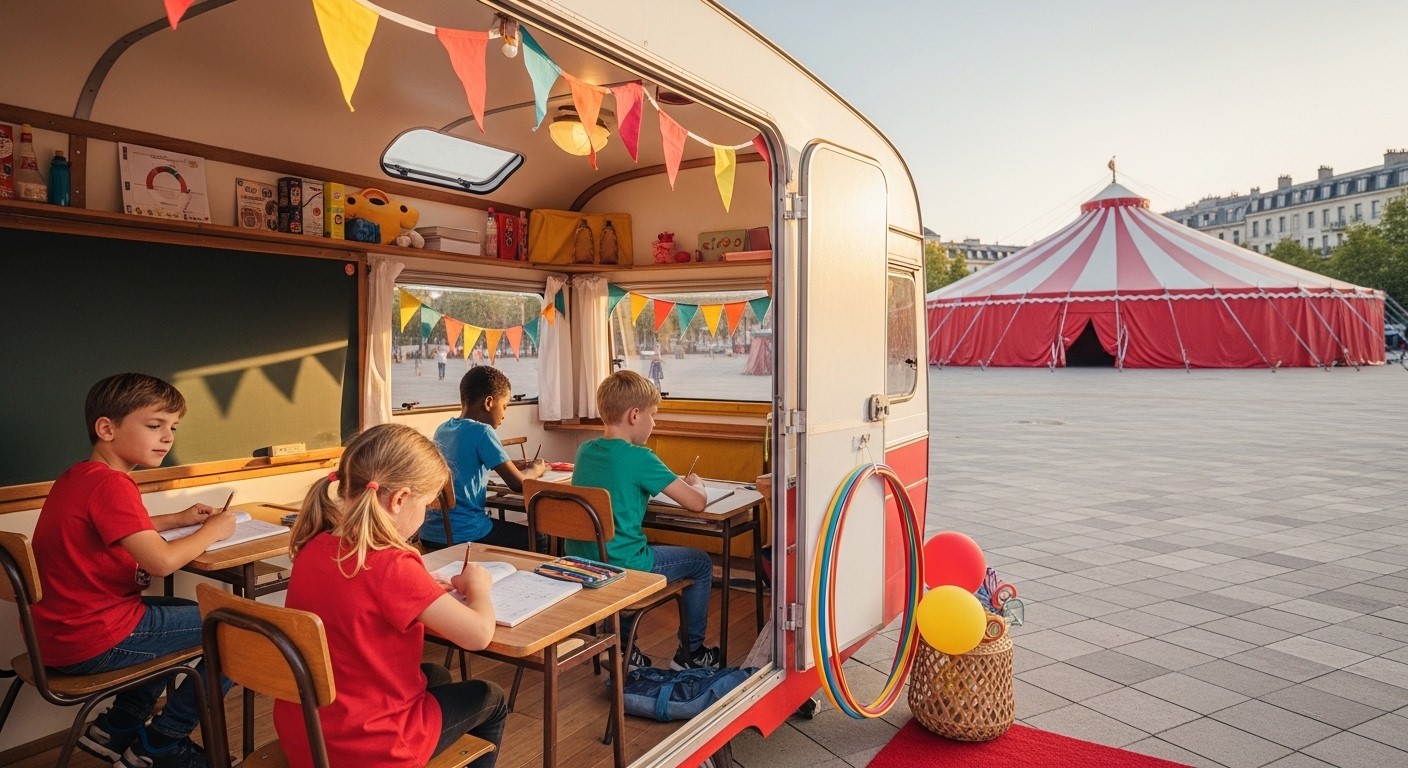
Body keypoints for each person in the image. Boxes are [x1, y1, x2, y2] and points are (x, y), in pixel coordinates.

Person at [32, 372, 237, 768]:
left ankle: (117, 729)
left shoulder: (80, 477)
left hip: (58, 634)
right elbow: (160, 561)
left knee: (176, 612)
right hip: (91, 638)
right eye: (154, 425)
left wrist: (175, 518)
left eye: (173, 427)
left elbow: (113, 526)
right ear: (107, 428)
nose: (167, 437)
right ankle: (161, 743)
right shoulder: (113, 485)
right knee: (236, 626)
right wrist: (214, 529)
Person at [279, 423, 506, 768]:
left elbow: (361, 600)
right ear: (400, 499)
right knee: (491, 697)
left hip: (308, 733)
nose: (425, 516)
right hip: (368, 746)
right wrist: (478, 587)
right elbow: (478, 635)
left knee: (435, 676)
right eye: (427, 506)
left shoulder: (313, 545)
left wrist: (423, 590)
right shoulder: (392, 564)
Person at [571, 370, 720, 671]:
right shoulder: (641, 458)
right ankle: (690, 654)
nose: (655, 422)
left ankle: (624, 650)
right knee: (701, 563)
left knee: (628, 549)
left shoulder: (585, 451)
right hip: (624, 566)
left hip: (582, 561)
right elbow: (696, 502)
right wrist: (697, 482)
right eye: (653, 415)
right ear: (634, 415)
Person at [418, 366, 547, 551]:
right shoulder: (482, 432)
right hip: (464, 533)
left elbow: (465, 463)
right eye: (504, 406)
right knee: (539, 539)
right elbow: (518, 484)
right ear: (488, 403)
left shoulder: (443, 429)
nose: (504, 415)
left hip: (432, 533)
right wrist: (537, 468)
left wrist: (509, 464)